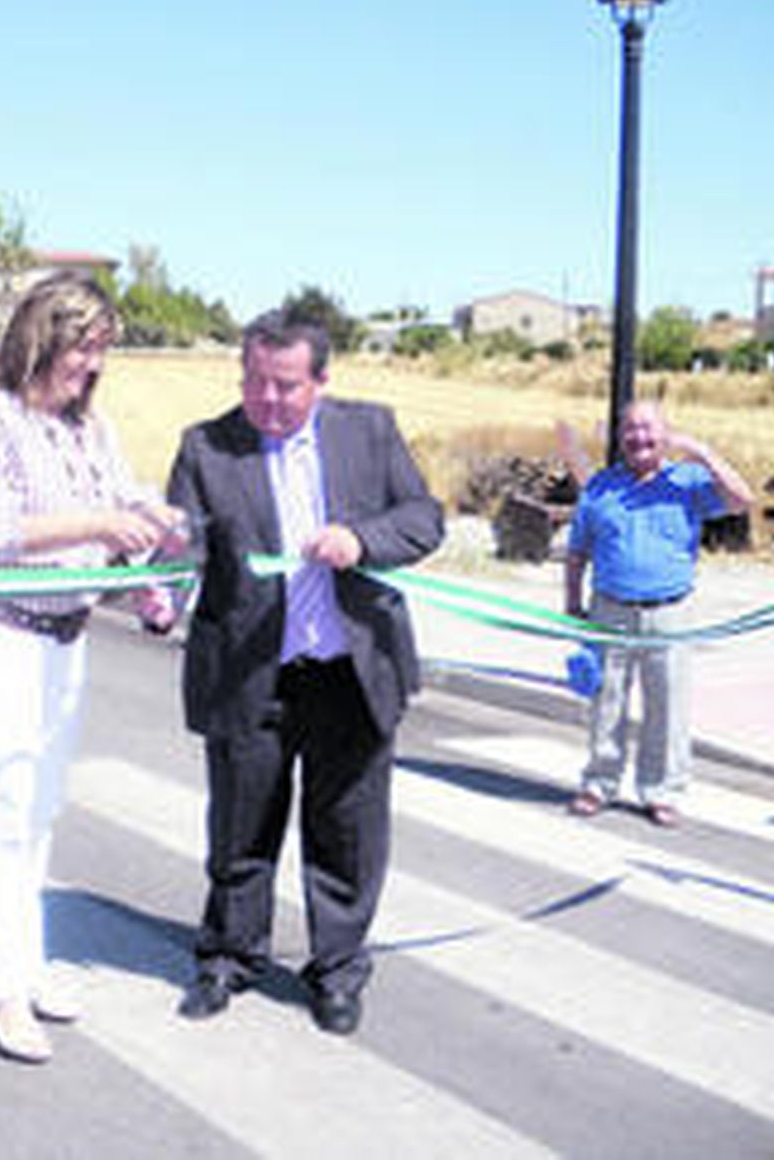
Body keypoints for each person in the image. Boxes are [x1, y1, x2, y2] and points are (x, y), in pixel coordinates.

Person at [156, 308, 444, 1036]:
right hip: (250, 671)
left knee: (346, 832)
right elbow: (181, 544)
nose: (268, 399)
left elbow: (423, 517)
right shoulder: (205, 446)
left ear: (320, 379)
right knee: (239, 828)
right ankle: (228, 955)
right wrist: (159, 587)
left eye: (285, 385)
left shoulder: (369, 430)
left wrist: (362, 538)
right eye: (254, 381)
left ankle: (338, 970)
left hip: (350, 670)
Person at [0, 273, 183, 1064]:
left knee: (42, 810)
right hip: (0, 637)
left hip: (67, 638)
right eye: (84, 347)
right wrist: (103, 520)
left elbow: (119, 515)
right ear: (42, 337)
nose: (94, 365)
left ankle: (28, 959)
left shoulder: (92, 429)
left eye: (102, 351)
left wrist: (147, 556)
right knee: (5, 805)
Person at [563, 400, 754, 827]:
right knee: (606, 703)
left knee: (667, 706)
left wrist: (702, 452)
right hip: (608, 611)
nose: (639, 438)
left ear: (665, 435)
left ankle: (661, 791)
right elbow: (576, 553)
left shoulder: (687, 481)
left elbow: (743, 500)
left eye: (648, 429)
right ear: (620, 438)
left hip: (669, 613)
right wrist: (572, 606)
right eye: (630, 430)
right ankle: (599, 784)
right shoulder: (599, 487)